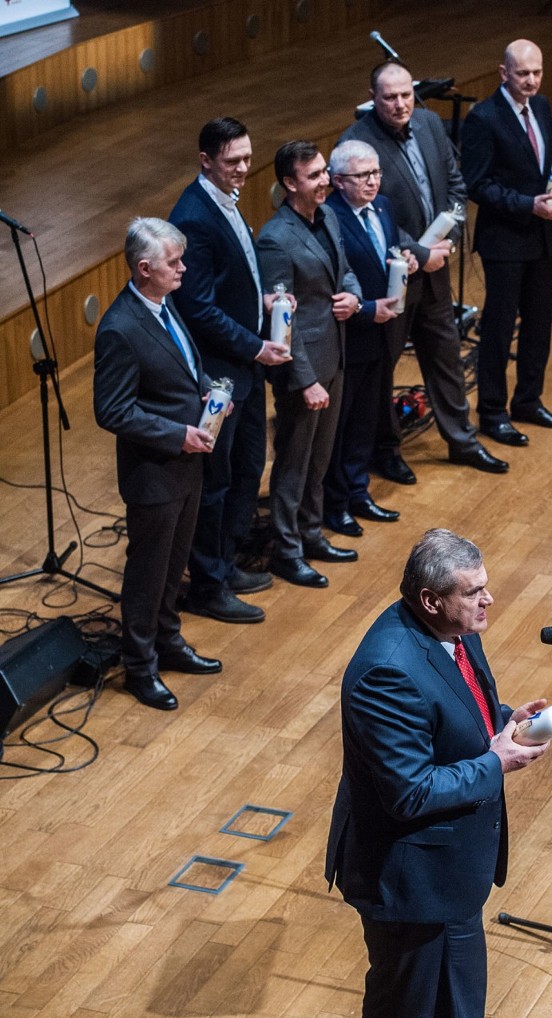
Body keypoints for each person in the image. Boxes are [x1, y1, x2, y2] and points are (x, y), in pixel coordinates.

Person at [325, 528, 550, 1018]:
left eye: (484, 585)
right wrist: (496, 760)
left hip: (452, 864)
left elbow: (462, 710)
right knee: (404, 1012)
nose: (489, 601)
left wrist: (507, 722)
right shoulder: (386, 669)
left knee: (460, 992)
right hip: (407, 872)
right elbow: (408, 791)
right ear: (429, 600)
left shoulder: (455, 632)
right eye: (473, 592)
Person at [339, 63, 509, 482]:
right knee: (383, 368)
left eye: (405, 96)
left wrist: (442, 238)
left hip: (435, 271)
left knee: (446, 356)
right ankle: (386, 449)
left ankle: (462, 441)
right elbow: (362, 214)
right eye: (390, 98)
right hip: (391, 276)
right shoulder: (357, 143)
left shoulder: (431, 123)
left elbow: (454, 182)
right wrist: (418, 250)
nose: (400, 105)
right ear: (373, 98)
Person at [93, 217, 221, 712]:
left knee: (174, 565)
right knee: (148, 573)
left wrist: (208, 390)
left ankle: (168, 642)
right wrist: (176, 434)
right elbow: (113, 410)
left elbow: (185, 368)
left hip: (186, 464)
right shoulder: (120, 329)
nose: (183, 269)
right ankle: (140, 667)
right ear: (145, 268)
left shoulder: (164, 306)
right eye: (174, 262)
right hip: (155, 472)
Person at [169, 116, 290, 623]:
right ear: (206, 161)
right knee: (216, 483)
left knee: (244, 470)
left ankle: (225, 562)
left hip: (243, 365)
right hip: (220, 374)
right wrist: (256, 345)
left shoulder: (225, 200)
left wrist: (261, 301)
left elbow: (229, 281)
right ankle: (208, 584)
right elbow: (197, 307)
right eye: (233, 160)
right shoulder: (194, 216)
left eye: (246, 157)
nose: (244, 168)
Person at [255, 140, 362, 588]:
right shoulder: (275, 239)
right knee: (294, 464)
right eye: (315, 175)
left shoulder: (330, 215)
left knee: (319, 459)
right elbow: (282, 319)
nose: (326, 181)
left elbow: (346, 269)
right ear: (289, 183)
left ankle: (311, 532)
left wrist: (353, 295)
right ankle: (286, 550)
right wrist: (303, 381)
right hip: (304, 370)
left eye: (324, 172)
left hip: (333, 354)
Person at [460, 39, 552, 447]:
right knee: (499, 326)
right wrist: (530, 205)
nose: (531, 80)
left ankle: (529, 399)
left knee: (540, 321)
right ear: (503, 73)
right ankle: (493, 412)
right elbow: (478, 185)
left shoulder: (541, 107)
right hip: (504, 239)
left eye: (537, 72)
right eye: (523, 73)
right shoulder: (483, 118)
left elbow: (546, 166)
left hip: (542, 233)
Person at [324, 139, 417, 537]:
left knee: (365, 421)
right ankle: (335, 503)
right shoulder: (329, 217)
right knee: (341, 427)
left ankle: (358, 491)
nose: (372, 181)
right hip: (348, 339)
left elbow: (389, 250)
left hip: (382, 334)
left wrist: (406, 258)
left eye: (376, 173)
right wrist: (365, 309)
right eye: (362, 175)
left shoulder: (383, 206)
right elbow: (332, 285)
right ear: (338, 180)